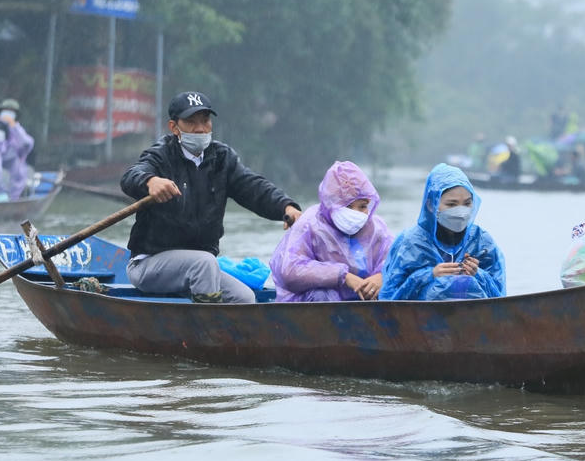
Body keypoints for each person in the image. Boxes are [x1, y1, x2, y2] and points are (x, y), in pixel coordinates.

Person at [120, 90, 302, 303]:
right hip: (150, 264)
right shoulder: (161, 156)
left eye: (205, 120)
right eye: (190, 122)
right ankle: (207, 333)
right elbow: (130, 176)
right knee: (205, 263)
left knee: (244, 298)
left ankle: (230, 335)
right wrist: (150, 181)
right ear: (174, 127)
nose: (200, 128)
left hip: (198, 266)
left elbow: (255, 188)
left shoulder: (222, 159)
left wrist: (286, 207)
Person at [378, 163, 506, 300]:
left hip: (475, 317)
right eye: (451, 204)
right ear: (431, 204)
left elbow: (500, 298)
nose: (461, 212)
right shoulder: (410, 243)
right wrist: (430, 275)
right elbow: (390, 298)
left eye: (467, 203)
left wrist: (477, 274)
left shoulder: (481, 241)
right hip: (422, 319)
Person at [270, 161, 392, 302]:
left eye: (363, 206)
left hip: (366, 303)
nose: (356, 213)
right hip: (317, 305)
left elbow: (395, 260)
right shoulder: (310, 224)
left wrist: (381, 276)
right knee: (322, 295)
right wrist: (343, 276)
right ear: (331, 202)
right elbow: (290, 271)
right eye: (348, 206)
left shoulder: (376, 228)